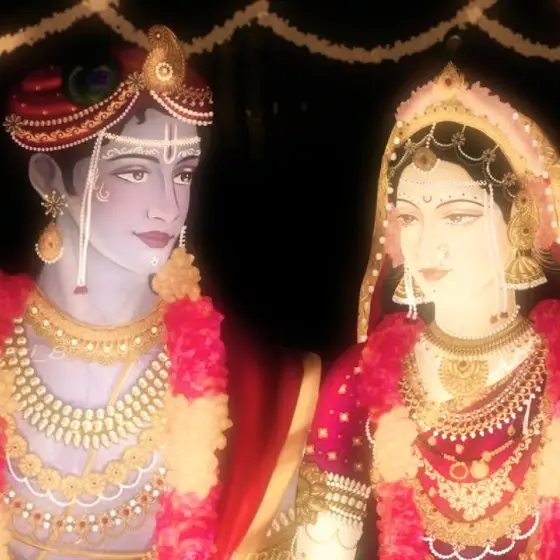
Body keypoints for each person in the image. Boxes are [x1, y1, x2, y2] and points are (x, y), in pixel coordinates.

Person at [0, 25, 321, 560]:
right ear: (49, 178)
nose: (167, 207)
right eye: (134, 172)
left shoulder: (257, 390)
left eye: (183, 172)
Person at [292, 63, 560, 559]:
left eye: (457, 216)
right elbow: (321, 547)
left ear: (521, 221)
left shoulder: (555, 373)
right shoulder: (360, 379)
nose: (427, 243)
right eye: (411, 218)